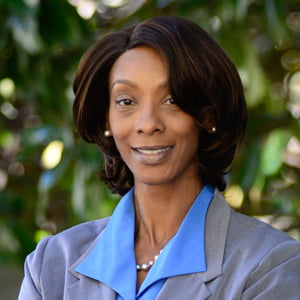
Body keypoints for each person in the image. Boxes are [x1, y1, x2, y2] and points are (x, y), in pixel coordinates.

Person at [19, 16, 300, 300]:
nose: (148, 123)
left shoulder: (270, 265)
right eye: (126, 101)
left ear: (207, 115)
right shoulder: (51, 263)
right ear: (107, 118)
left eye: (172, 100)